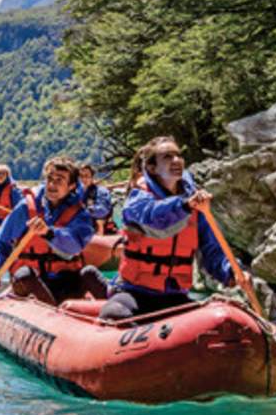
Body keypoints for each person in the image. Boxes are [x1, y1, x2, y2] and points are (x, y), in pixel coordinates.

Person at [99, 136, 249, 320]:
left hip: (175, 295)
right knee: (114, 315)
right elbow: (156, 222)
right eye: (167, 157)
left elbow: (212, 249)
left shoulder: (195, 205)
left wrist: (231, 272)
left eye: (178, 155)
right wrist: (184, 205)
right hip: (135, 292)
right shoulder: (137, 200)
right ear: (152, 168)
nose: (176, 160)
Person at [0, 156, 109, 306]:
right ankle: (52, 312)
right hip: (33, 282)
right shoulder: (26, 208)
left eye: (59, 180)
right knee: (24, 274)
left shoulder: (80, 214)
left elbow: (75, 245)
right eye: (50, 179)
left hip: (66, 281)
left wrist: (49, 233)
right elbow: (2, 240)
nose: (52, 184)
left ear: (71, 186)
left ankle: (119, 315)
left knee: (89, 273)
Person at [79, 163, 116, 234]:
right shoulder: (76, 193)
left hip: (98, 229)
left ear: (92, 177)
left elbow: (103, 211)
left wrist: (84, 210)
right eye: (81, 176)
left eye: (86, 176)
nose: (83, 179)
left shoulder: (101, 191)